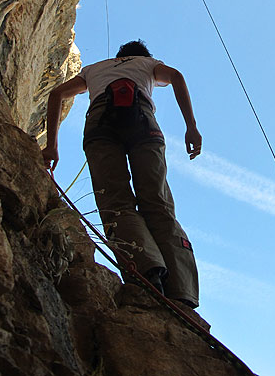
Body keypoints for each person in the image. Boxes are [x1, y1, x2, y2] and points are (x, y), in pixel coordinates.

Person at [42, 39, 202, 308]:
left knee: (116, 203)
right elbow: (176, 77)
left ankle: (146, 272)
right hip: (142, 122)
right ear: (144, 55)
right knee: (158, 203)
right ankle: (181, 290)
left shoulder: (94, 68)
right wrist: (191, 126)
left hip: (100, 124)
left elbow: (56, 94)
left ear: (118, 56)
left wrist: (51, 147)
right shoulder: (148, 64)